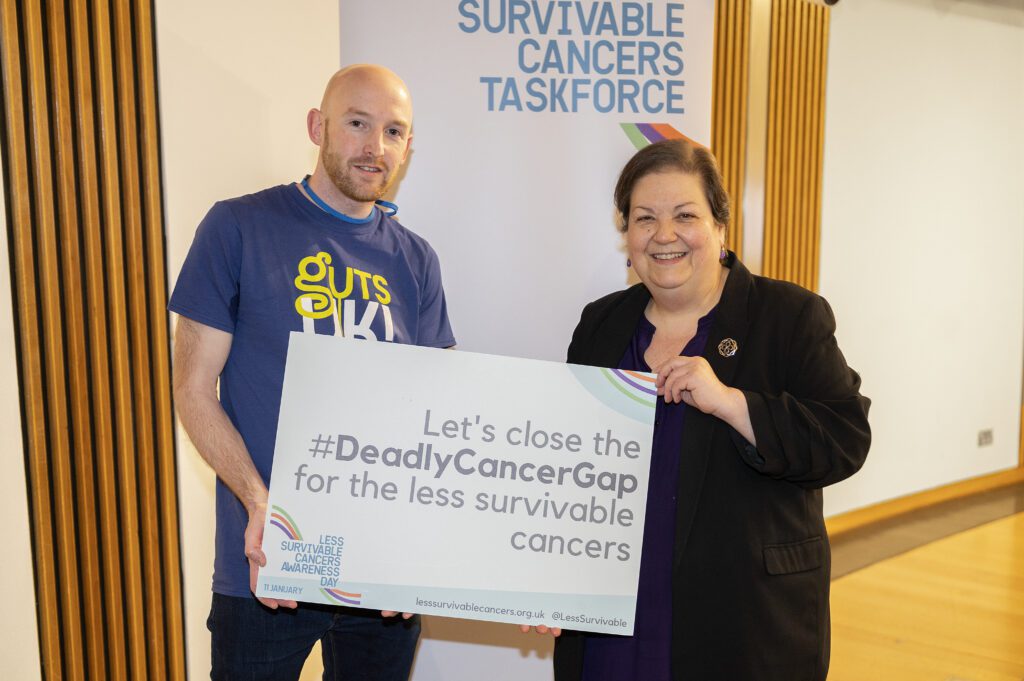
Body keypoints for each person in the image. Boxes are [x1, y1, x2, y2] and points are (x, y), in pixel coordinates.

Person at [546, 139, 870, 681]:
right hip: (611, 622)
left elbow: (844, 439)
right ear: (626, 235)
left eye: (685, 215)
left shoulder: (789, 317)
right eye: (644, 218)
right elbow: (568, 471)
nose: (664, 235)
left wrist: (733, 404)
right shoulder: (600, 325)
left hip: (742, 625)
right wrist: (543, 581)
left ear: (720, 226)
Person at [170, 64, 455, 680]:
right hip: (267, 560)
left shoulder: (417, 261)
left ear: (408, 147)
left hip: (380, 571)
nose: (374, 147)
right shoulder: (237, 227)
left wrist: (419, 545)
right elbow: (193, 390)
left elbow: (436, 417)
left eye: (394, 132)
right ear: (317, 126)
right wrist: (257, 501)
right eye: (357, 124)